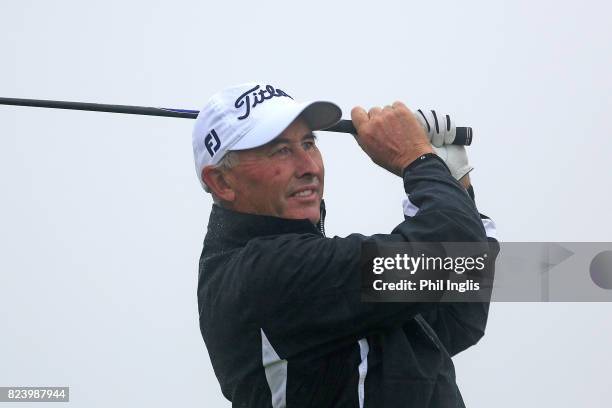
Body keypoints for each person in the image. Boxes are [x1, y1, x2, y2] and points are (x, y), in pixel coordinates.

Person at [192, 82, 497, 407]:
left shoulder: (307, 275)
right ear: (222, 182)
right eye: (280, 150)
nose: (308, 166)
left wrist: (453, 181)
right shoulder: (268, 272)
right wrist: (420, 161)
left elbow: (460, 307)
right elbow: (450, 258)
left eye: (308, 143)